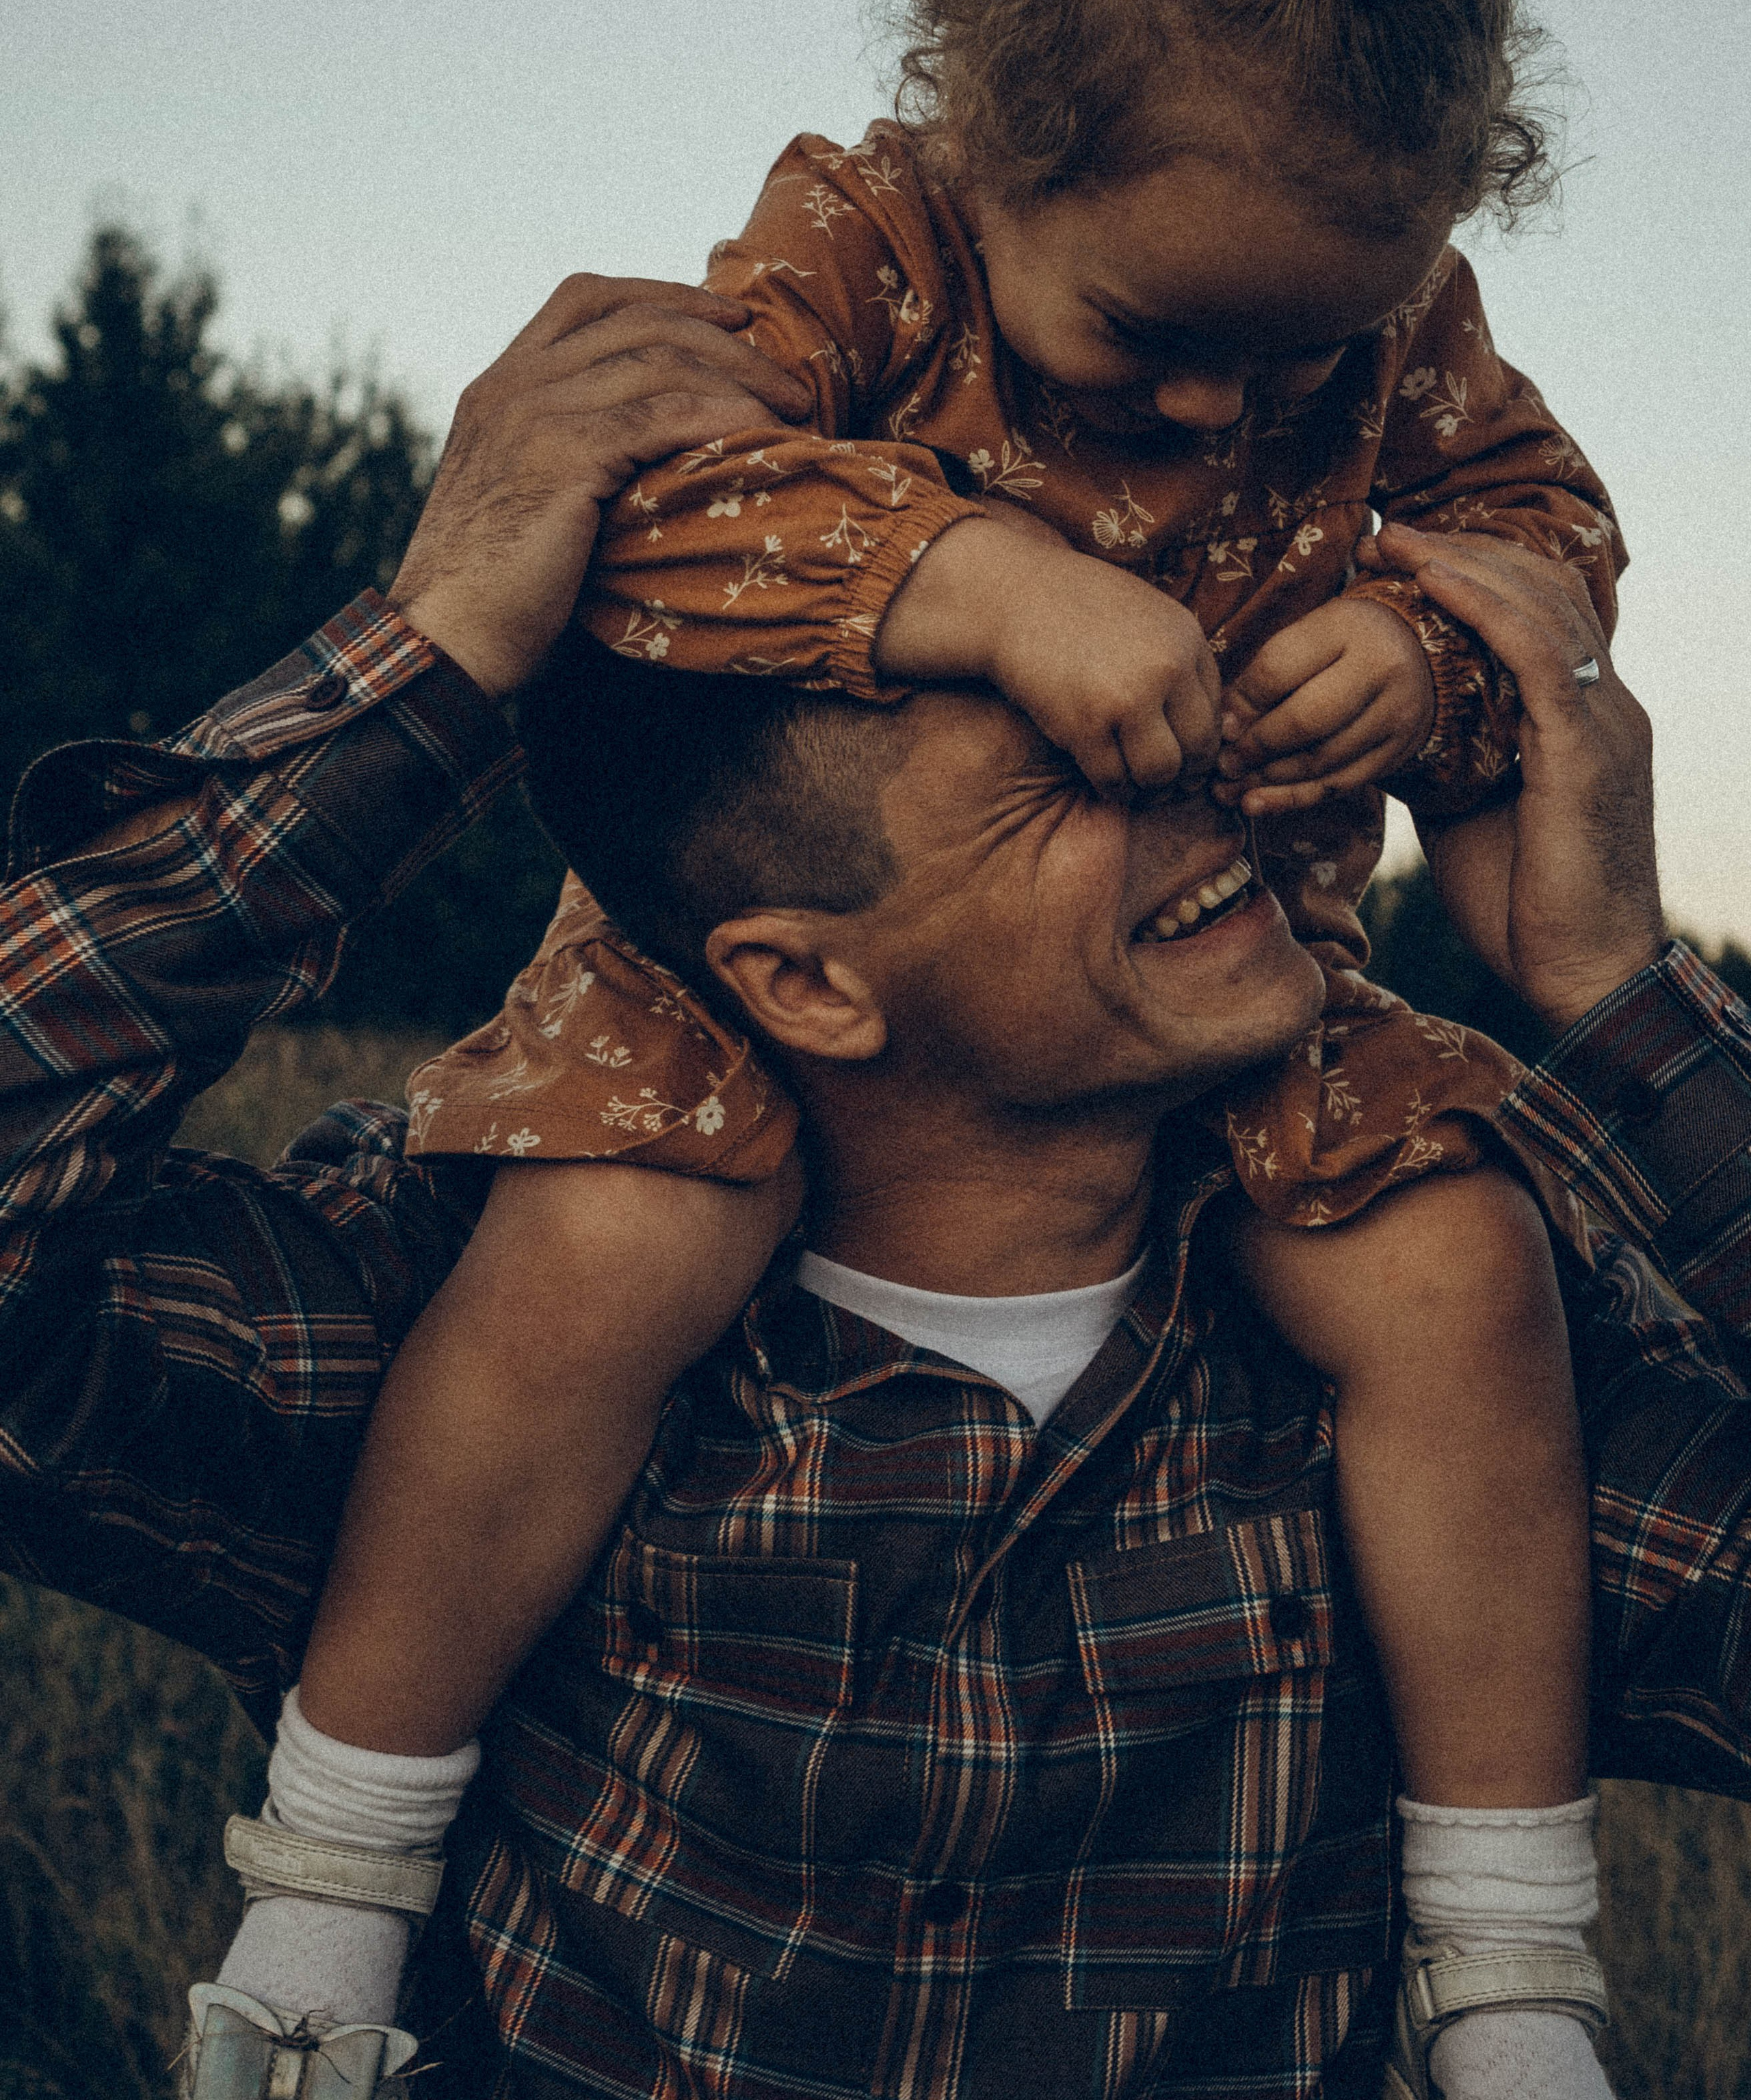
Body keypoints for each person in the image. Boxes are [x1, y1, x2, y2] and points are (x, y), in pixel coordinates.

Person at [275, 0, 1627, 2087]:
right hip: (766, 951)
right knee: (610, 1246)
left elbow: (1548, 537)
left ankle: (1512, 1978)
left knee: (1454, 1262)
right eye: (1158, 338)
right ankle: (327, 1896)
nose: (1229, 416)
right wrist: (969, 573)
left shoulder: (1400, 323)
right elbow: (649, 501)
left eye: (1300, 353)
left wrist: (1425, 651)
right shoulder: (871, 242)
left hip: (1248, 952)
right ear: (999, 143)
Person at [0, 290, 1747, 2100]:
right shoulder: (472, 1331)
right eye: (1083, 772)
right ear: (807, 981)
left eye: (1185, 687)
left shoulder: (1440, 1370)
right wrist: (424, 664)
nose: (1217, 776)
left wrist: (1625, 1002)